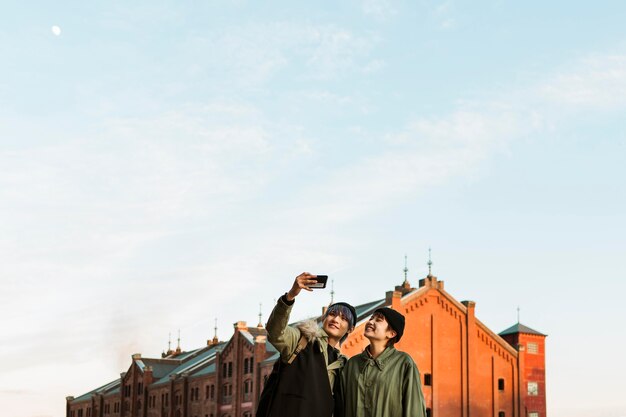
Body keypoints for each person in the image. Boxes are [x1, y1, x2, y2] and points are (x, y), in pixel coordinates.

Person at [257, 272, 357, 417]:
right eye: (332, 314)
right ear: (324, 317)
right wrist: (290, 296)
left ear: (351, 329)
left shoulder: (343, 365)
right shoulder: (302, 339)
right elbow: (276, 331)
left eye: (343, 318)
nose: (335, 319)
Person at [341, 307, 426, 417]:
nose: (370, 322)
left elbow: (415, 410)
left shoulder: (404, 364)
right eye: (371, 318)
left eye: (379, 320)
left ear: (391, 333)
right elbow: (341, 407)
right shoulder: (352, 364)